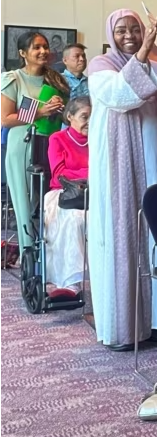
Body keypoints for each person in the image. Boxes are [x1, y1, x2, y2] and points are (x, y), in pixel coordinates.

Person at [87, 9, 157, 351]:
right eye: (121, 30)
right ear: (110, 34)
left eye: (135, 29)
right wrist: (146, 51)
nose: (129, 35)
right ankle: (124, 326)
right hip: (119, 166)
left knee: (155, 234)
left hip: (154, 161)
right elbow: (119, 95)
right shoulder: (101, 65)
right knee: (123, 234)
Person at [1, 31, 68, 263]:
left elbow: (69, 118)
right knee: (24, 199)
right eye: (36, 47)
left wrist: (62, 109)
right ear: (22, 53)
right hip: (22, 144)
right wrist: (40, 111)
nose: (43, 52)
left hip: (50, 144)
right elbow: (6, 118)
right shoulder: (13, 78)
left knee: (44, 199)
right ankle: (27, 254)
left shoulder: (56, 80)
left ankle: (44, 253)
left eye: (45, 47)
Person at [44, 95, 90, 298]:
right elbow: (59, 173)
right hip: (63, 193)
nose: (89, 122)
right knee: (74, 219)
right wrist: (91, 172)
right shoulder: (58, 139)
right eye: (84, 116)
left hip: (93, 192)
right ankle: (71, 282)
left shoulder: (99, 138)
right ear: (70, 116)